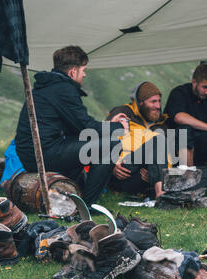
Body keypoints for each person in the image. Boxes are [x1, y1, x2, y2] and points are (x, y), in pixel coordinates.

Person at [14, 46, 128, 206]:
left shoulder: (49, 86)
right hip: (42, 154)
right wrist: (119, 128)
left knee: (86, 141)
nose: (85, 74)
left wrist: (109, 126)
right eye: (83, 70)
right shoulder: (63, 89)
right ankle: (87, 205)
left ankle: (74, 194)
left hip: (33, 152)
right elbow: (85, 127)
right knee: (112, 145)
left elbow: (77, 128)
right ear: (73, 71)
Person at [106, 81, 169, 199]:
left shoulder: (162, 125)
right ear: (141, 102)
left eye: (159, 101)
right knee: (158, 140)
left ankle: (157, 188)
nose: (158, 106)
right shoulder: (123, 112)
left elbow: (166, 159)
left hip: (140, 179)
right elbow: (104, 138)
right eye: (153, 101)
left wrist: (154, 174)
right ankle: (160, 193)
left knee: (204, 174)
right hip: (123, 169)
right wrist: (112, 166)